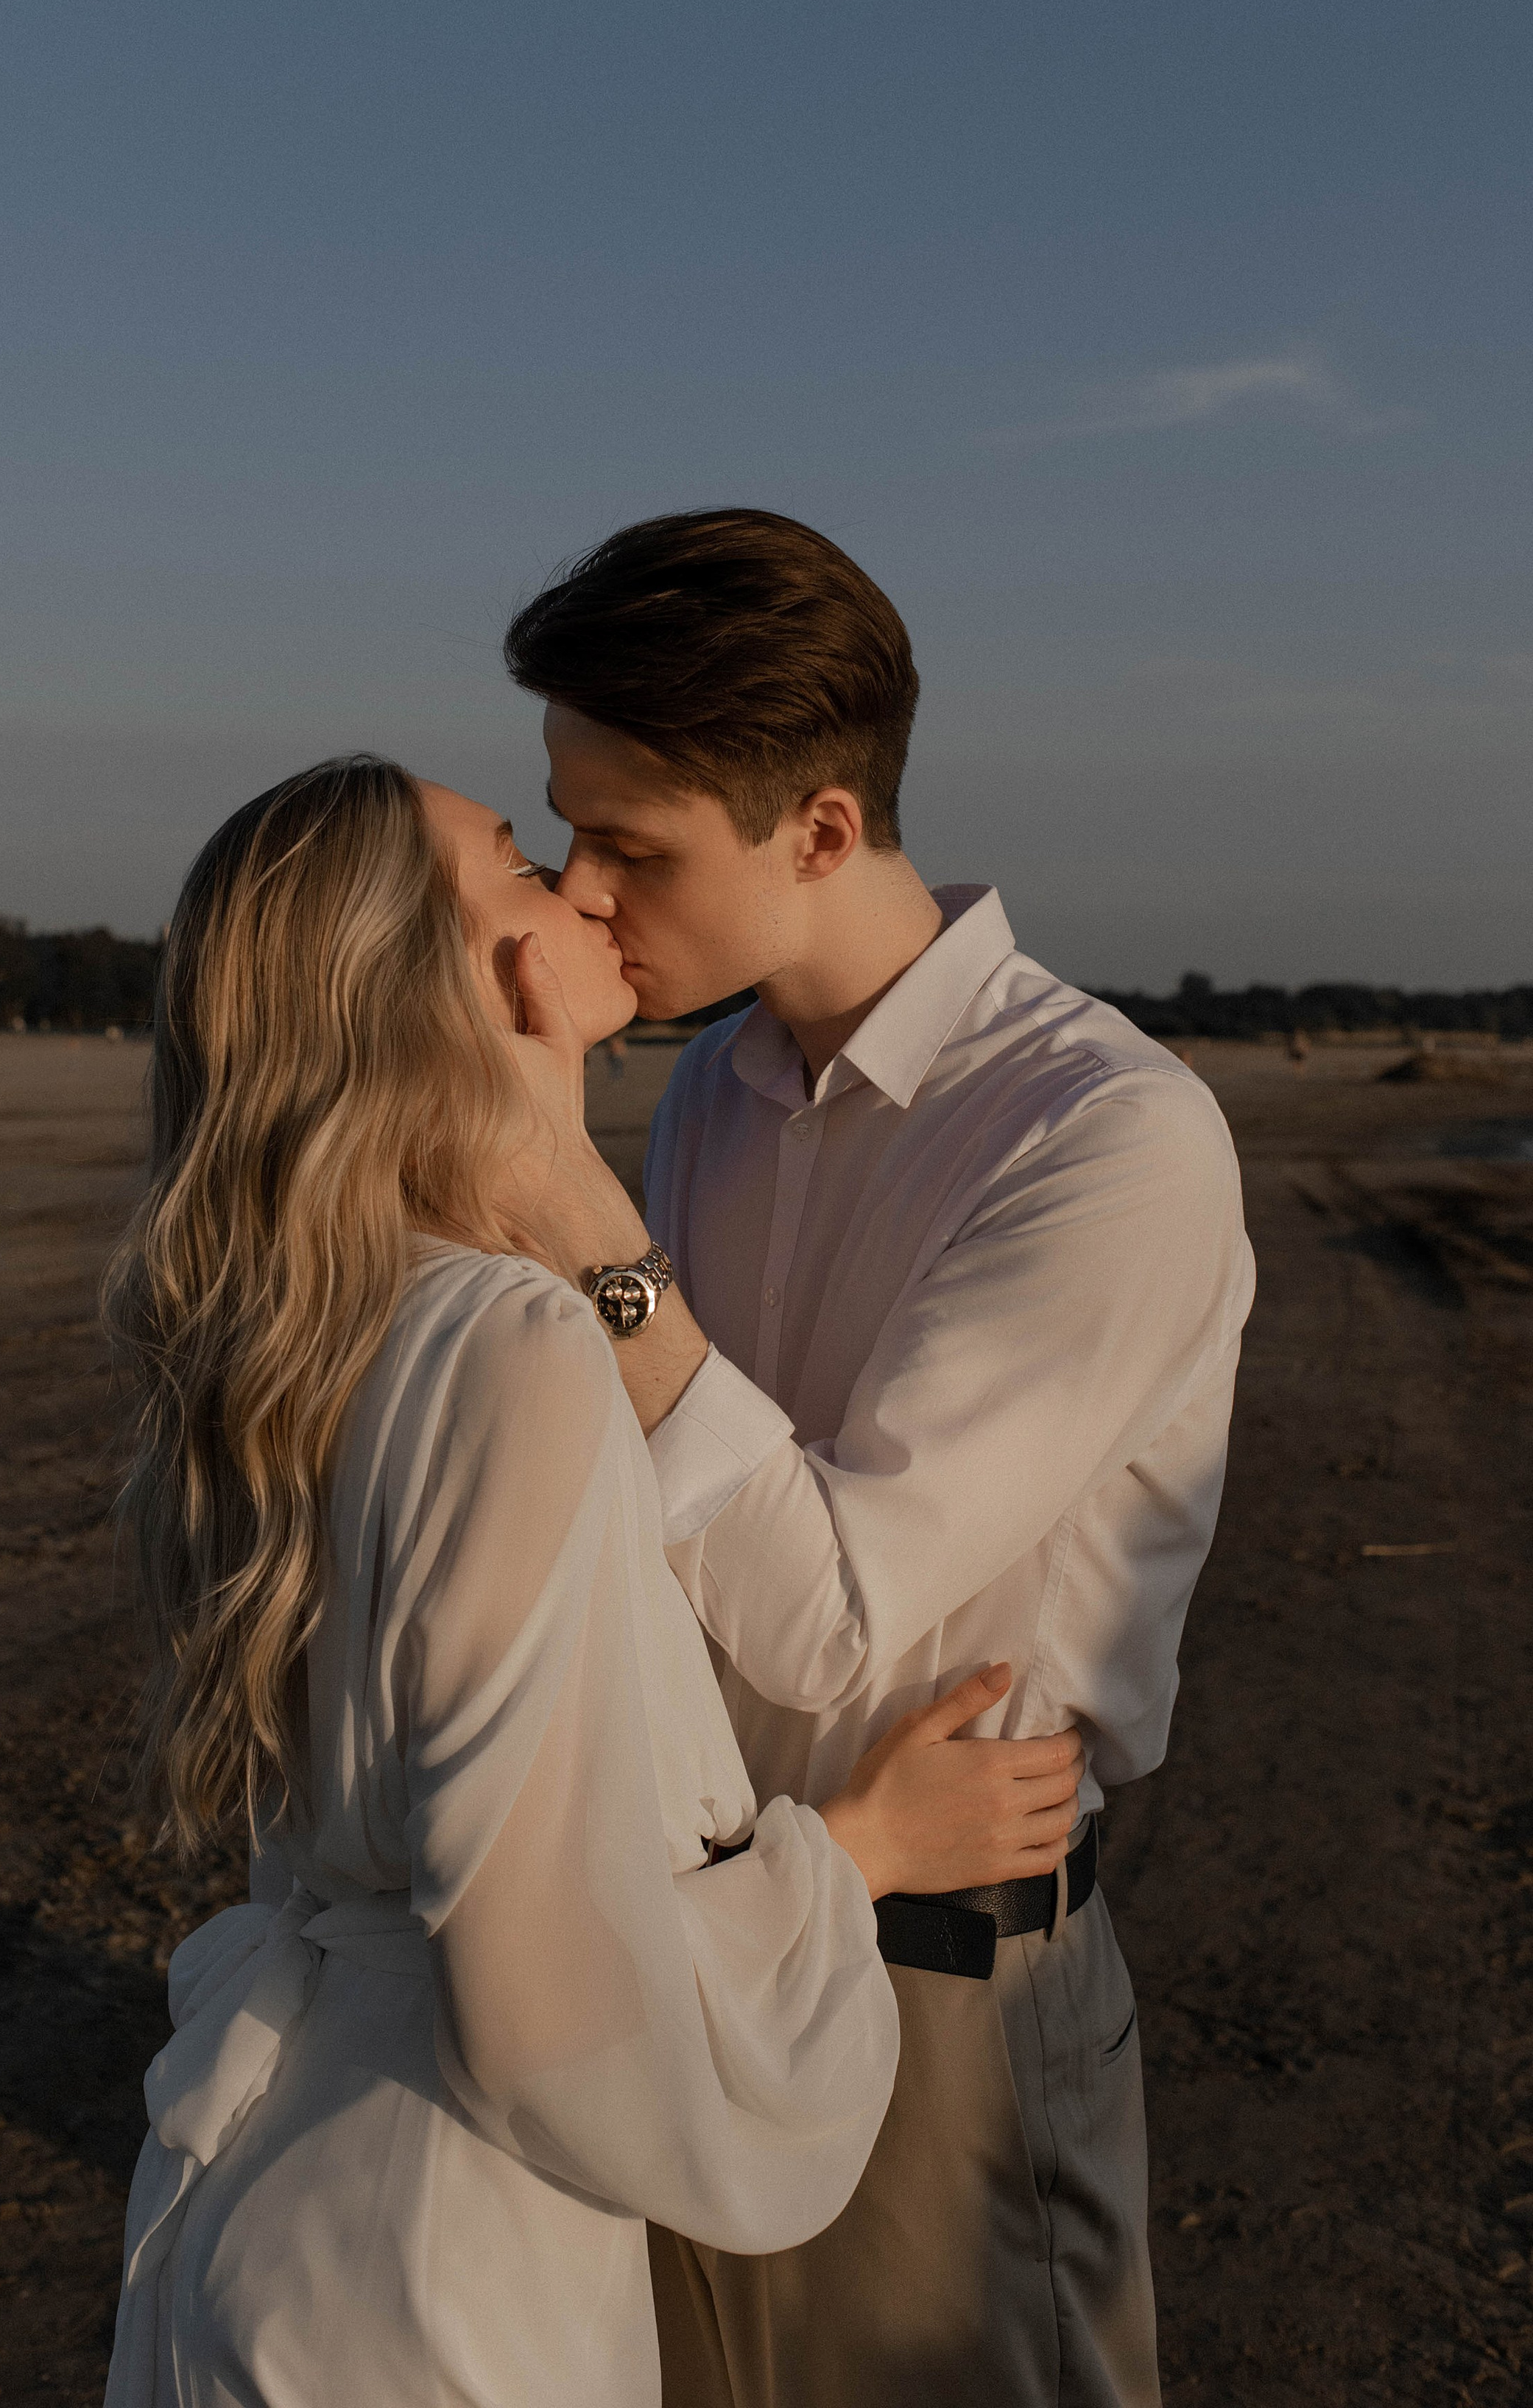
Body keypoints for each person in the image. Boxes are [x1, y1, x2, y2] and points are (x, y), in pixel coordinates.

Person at [99, 755, 1085, 2408]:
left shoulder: (316, 1321)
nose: (578, 883)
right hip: (440, 2283)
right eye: (516, 863)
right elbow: (541, 1978)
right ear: (485, 970)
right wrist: (847, 1856)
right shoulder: (508, 1344)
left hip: (277, 2210)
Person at [498, 510, 1258, 2408]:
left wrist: (576, 1226)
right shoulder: (705, 1093)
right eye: (563, 827)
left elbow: (828, 1619)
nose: (581, 891)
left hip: (942, 2007)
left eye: (634, 846)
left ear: (820, 829)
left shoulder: (1107, 1137)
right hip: (702, 1955)